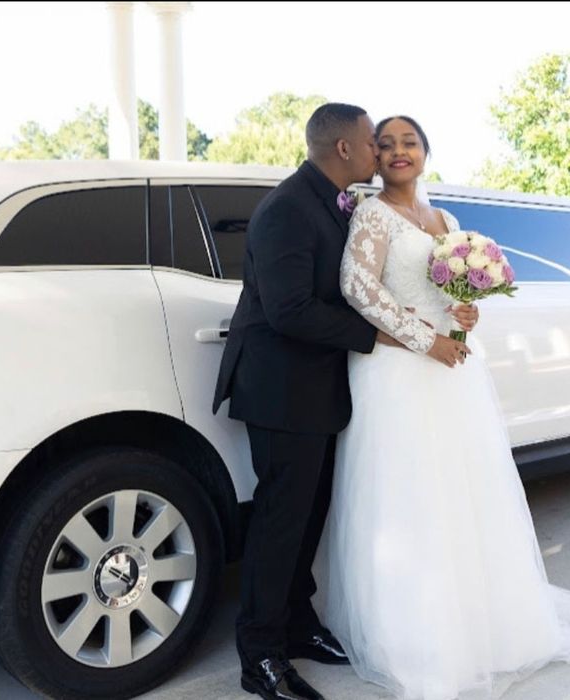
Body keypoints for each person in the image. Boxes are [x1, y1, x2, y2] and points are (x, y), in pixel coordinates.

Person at [315, 116, 570, 700]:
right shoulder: (372, 214)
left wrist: (466, 312)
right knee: (409, 497)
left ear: (426, 153)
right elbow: (357, 285)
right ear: (373, 155)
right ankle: (415, 636)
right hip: (396, 374)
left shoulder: (447, 220)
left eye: (410, 143)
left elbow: (451, 294)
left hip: (452, 372)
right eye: (388, 143)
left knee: (461, 493)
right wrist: (426, 339)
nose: (399, 152)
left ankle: (478, 621)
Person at [212, 104, 467, 700]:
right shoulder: (287, 209)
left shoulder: (335, 201)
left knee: (308, 520)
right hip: (280, 391)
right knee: (279, 524)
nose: (383, 153)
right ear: (347, 149)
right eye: (373, 141)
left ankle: (299, 626)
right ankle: (261, 658)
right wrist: (383, 334)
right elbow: (288, 310)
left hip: (321, 389)